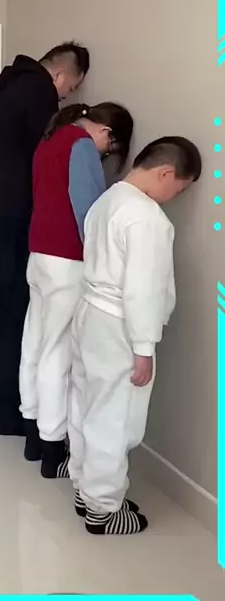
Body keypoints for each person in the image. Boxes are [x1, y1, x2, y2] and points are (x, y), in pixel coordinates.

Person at [68, 136, 202, 534]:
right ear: (166, 173)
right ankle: (103, 509)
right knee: (115, 416)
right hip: (121, 326)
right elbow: (143, 289)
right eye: (179, 189)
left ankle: (86, 488)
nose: (174, 198)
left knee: (86, 405)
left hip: (90, 314)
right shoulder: (147, 218)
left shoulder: (106, 202)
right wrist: (143, 348)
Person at [0, 42, 90, 436]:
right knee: (16, 314)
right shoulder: (39, 91)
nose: (66, 96)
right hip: (14, 218)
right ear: (60, 75)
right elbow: (46, 159)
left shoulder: (8, 89)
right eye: (70, 88)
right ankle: (8, 412)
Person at [19, 102, 134, 477]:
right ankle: (53, 449)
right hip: (68, 259)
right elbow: (88, 211)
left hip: (39, 254)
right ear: (106, 132)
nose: (105, 155)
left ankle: (32, 433)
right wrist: (103, 262)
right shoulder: (81, 144)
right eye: (110, 149)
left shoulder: (50, 138)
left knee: (35, 343)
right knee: (59, 352)